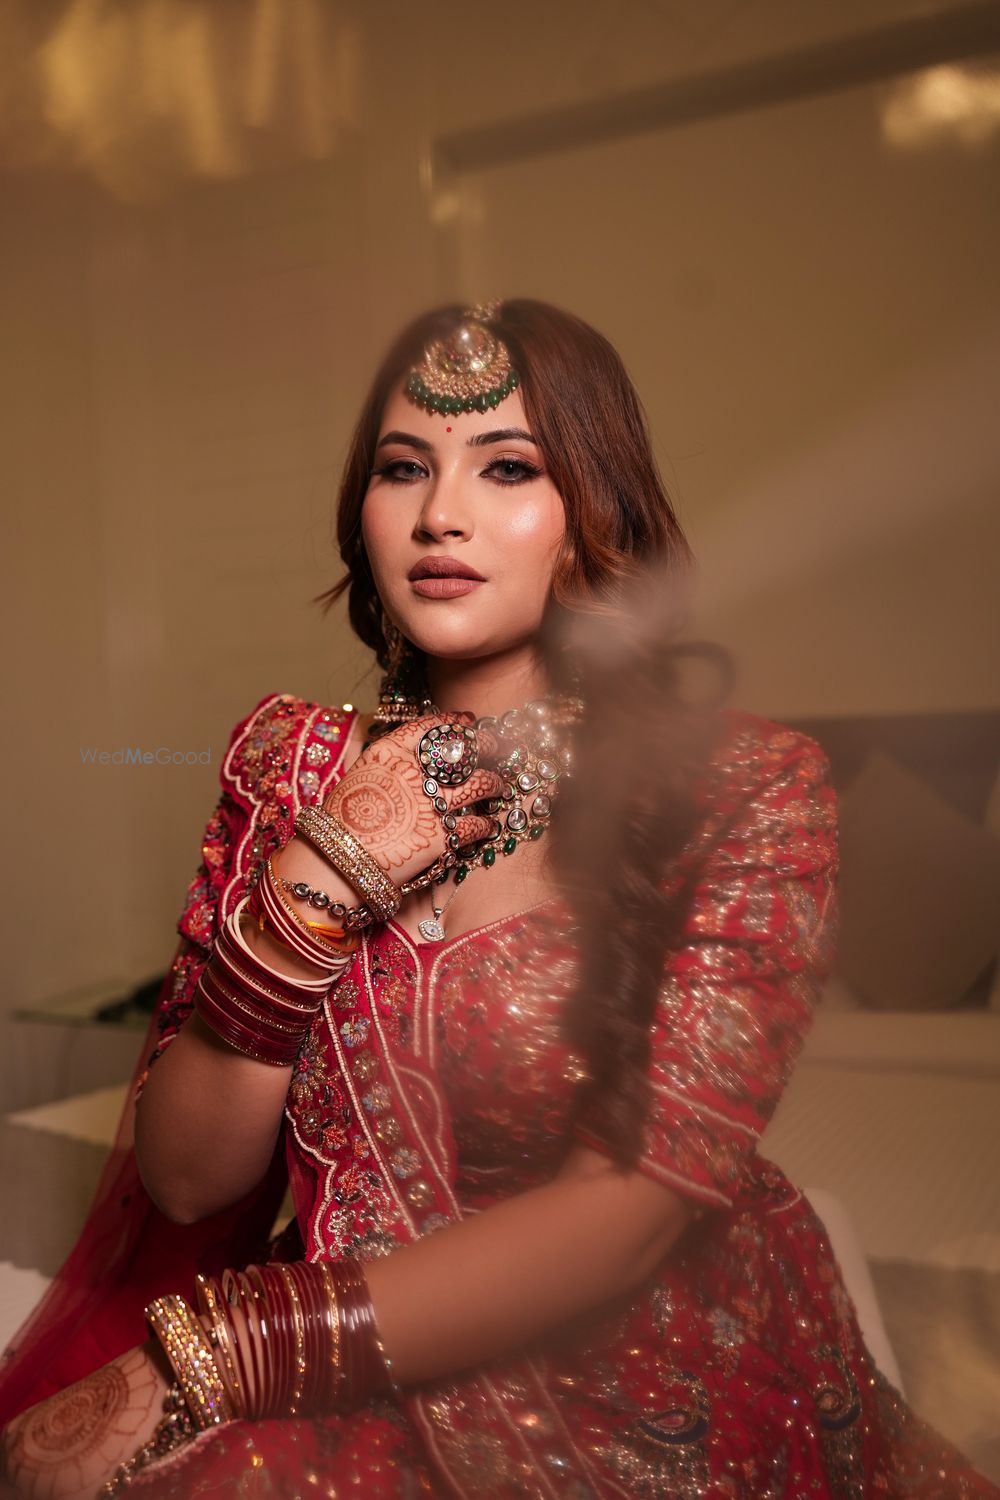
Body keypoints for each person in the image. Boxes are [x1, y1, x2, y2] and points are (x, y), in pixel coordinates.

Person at [0, 298, 994, 1499]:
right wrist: (319, 881)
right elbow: (190, 1184)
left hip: (637, 1368)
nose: (440, 513)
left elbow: (630, 1213)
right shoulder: (291, 768)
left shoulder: (743, 791)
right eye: (402, 467)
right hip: (344, 1319)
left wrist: (229, 1353)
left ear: (594, 516)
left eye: (508, 466)